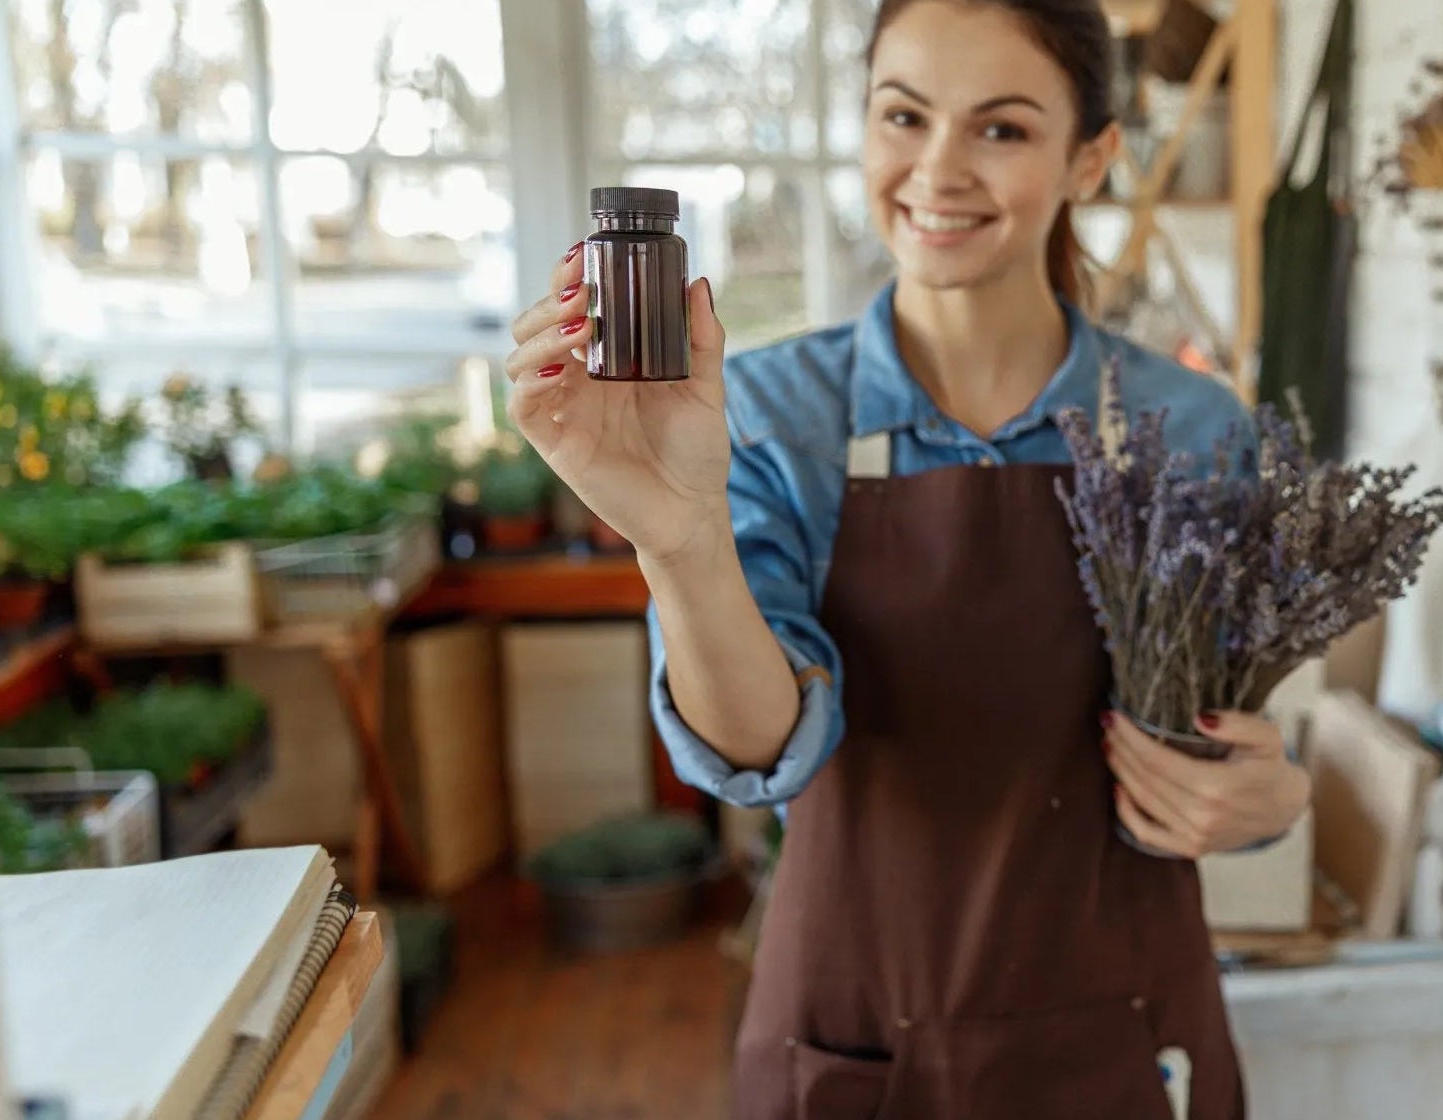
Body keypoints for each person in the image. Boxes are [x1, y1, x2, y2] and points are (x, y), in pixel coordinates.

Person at [504, 1, 1308, 1114]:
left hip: (1124, 1038)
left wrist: (1272, 794)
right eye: (904, 115)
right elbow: (760, 744)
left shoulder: (1191, 428)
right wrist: (678, 539)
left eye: (1001, 128)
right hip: (857, 1040)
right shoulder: (765, 415)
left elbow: (1215, 736)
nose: (937, 169)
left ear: (1090, 159)